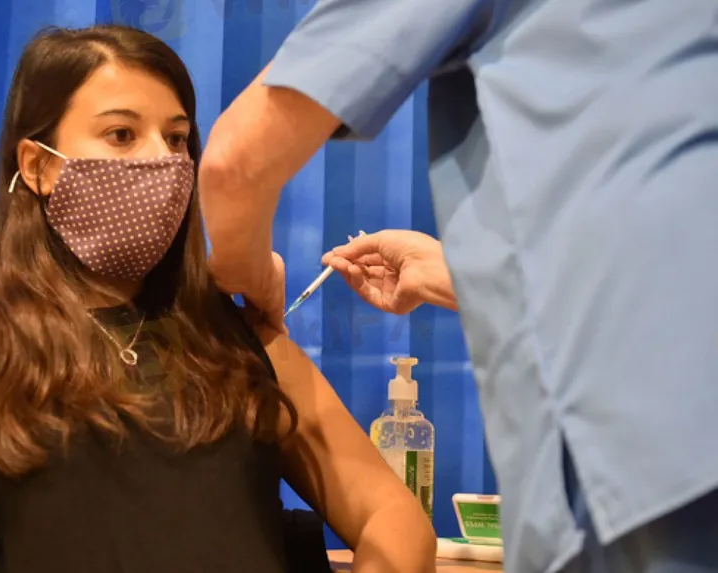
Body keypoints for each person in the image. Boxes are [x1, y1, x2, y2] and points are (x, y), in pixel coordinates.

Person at [0, 25, 436, 573]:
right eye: (121, 135)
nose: (161, 160)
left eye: (177, 138)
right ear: (38, 166)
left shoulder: (234, 340)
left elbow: (393, 519)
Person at [197, 1, 718, 572]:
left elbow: (235, 161)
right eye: (126, 134)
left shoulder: (251, 351)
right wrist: (455, 274)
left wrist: (252, 281)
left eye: (177, 137)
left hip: (653, 438)